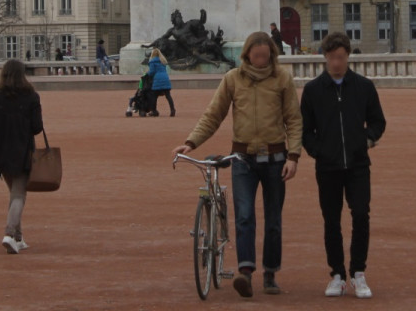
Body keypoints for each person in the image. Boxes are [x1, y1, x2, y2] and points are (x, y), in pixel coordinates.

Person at [172, 31, 301, 298]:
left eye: (265, 58)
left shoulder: (283, 79)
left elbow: (294, 119)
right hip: (243, 158)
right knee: (244, 216)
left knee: (274, 220)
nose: (261, 62)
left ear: (272, 56)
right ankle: (245, 272)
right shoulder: (233, 79)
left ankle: (270, 273)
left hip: (276, 158)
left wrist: (294, 156)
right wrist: (191, 142)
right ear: (247, 56)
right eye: (256, 57)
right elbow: (214, 114)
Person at [301, 31, 386, 298]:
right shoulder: (313, 90)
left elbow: (378, 121)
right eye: (332, 58)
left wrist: (367, 140)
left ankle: (358, 272)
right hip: (327, 167)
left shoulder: (364, 86)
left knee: (361, 215)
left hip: (358, 164)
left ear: (347, 56)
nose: (336, 62)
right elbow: (305, 131)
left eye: (341, 57)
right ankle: (337, 274)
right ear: (324, 57)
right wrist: (319, 152)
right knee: (331, 220)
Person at [0, 59, 44, 254]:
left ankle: (18, 237)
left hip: (1, 149)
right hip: (23, 149)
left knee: (15, 193)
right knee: (19, 194)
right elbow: (37, 127)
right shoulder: (31, 96)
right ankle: (9, 233)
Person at [146, 48, 176, 117]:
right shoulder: (163, 61)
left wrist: (147, 73)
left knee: (154, 96)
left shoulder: (152, 62)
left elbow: (152, 72)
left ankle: (154, 111)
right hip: (165, 78)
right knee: (168, 96)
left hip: (157, 79)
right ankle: (172, 110)